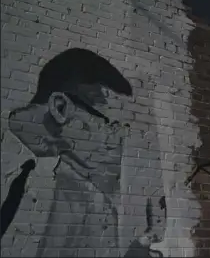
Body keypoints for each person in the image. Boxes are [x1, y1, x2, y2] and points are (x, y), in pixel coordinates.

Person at [7, 48, 139, 256]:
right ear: (60, 107)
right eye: (111, 125)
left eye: (124, 129)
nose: (119, 139)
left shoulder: (91, 185)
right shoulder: (27, 186)